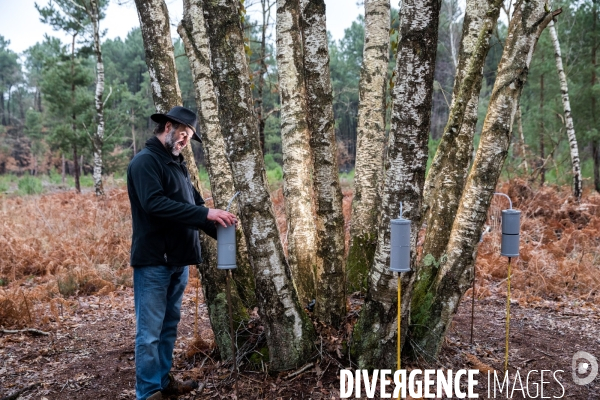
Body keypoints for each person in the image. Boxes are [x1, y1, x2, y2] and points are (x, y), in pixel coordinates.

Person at [127, 106, 237, 400]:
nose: (186, 140)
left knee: (168, 328)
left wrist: (223, 228)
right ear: (168, 126)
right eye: (184, 134)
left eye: (189, 137)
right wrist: (206, 213)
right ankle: (148, 392)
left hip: (179, 261)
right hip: (153, 262)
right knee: (149, 334)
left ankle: (162, 382)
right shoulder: (146, 162)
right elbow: (155, 204)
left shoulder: (177, 163)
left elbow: (196, 207)